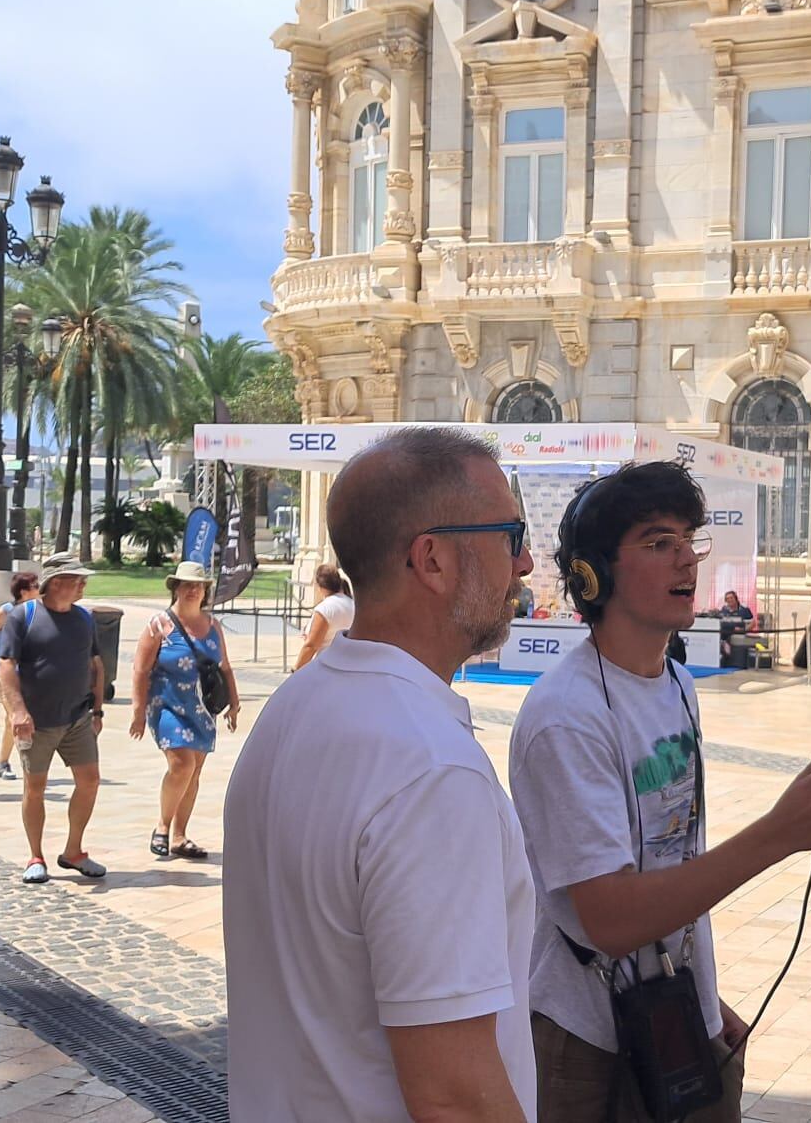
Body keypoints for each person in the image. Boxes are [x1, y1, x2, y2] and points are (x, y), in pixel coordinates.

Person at [508, 462, 811, 1121]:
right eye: (656, 541)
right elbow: (611, 918)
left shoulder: (676, 683)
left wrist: (702, 996)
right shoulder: (566, 717)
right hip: (590, 1042)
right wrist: (779, 834)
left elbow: (671, 860)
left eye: (688, 540)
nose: (685, 561)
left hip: (678, 1014)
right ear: (593, 573)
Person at [224, 428, 539, 1121]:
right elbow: (454, 1097)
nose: (526, 561)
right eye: (510, 534)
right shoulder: (430, 771)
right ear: (432, 559)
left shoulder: (297, 704)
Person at [0, 552, 108, 885]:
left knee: (89, 782)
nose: (83, 586)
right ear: (57, 583)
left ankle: (73, 851)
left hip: (77, 718)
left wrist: (98, 710)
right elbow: (5, 666)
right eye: (78, 580)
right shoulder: (24, 616)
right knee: (35, 788)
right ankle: (36, 855)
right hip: (36, 721)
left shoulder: (85, 619)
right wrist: (17, 710)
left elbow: (96, 666)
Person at [131, 560, 240, 860]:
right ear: (175, 588)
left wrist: (234, 702)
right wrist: (138, 711)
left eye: (199, 586)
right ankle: (163, 826)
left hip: (203, 708)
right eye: (187, 585)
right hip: (166, 705)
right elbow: (140, 670)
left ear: (206, 591)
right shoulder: (159, 625)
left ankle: (180, 836)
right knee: (182, 764)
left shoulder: (213, 626)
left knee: (194, 772)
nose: (193, 590)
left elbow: (225, 667)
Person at [0, 571, 41, 781]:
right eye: (36, 586)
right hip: (4, 674)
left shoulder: (39, 612)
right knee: (14, 717)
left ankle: (6, 762)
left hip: (29, 675)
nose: (40, 589)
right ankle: (10, 763)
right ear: (24, 592)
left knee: (16, 719)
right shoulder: (7, 611)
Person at [292, 562, 354, 670]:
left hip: (327, 666)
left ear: (319, 586)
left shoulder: (325, 608)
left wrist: (296, 669)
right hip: (349, 664)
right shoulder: (353, 605)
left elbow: (311, 645)